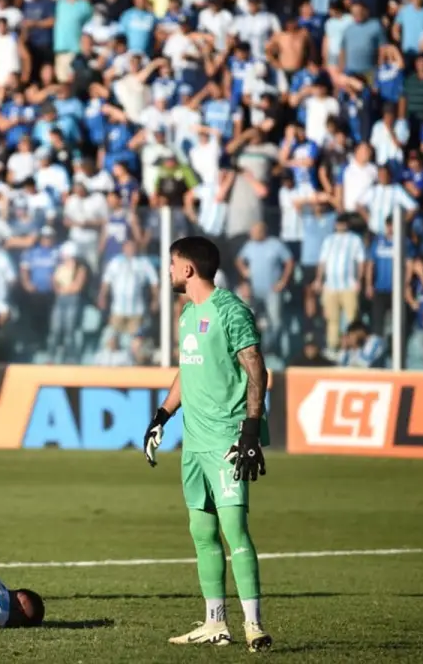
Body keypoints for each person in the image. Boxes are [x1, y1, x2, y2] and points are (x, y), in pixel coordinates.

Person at [142, 236, 272, 651]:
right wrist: (162, 416)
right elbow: (188, 370)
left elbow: (256, 369)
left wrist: (251, 431)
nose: (168, 271)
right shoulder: (187, 315)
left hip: (226, 439)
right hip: (194, 443)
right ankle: (215, 621)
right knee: (202, 531)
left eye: (171, 264)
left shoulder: (231, 310)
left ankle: (254, 625)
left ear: (187, 269)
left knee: (236, 531)